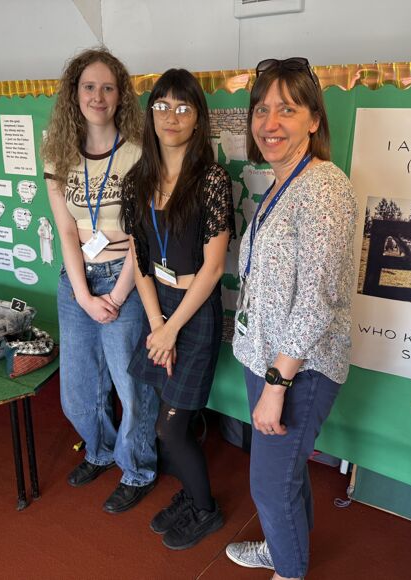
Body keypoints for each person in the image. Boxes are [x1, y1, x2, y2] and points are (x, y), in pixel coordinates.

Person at [226, 57, 357, 580]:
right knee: (285, 477)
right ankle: (288, 554)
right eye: (261, 109)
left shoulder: (324, 187)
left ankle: (289, 571)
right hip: (267, 358)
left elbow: (317, 300)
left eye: (287, 109)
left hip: (298, 369)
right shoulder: (282, 183)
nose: (270, 123)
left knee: (269, 484)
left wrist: (277, 384)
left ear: (314, 120)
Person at [121, 68, 235, 550]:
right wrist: (155, 323)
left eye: (183, 107)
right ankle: (191, 494)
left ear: (198, 118)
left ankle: (205, 510)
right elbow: (139, 259)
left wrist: (171, 330)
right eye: (162, 105)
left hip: (194, 309)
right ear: (150, 113)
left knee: (170, 427)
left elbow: (213, 268)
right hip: (158, 306)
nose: (171, 116)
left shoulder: (211, 180)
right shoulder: (138, 179)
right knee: (165, 417)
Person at [43, 47, 159, 514]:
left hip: (125, 279)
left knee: (132, 388)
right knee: (77, 392)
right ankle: (101, 449)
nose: (98, 96)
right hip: (77, 283)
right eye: (89, 86)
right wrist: (84, 296)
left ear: (120, 96)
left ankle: (138, 469)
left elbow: (144, 233)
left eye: (108, 87)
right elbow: (66, 229)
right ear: (74, 93)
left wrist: (115, 294)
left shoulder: (138, 152)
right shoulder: (57, 151)